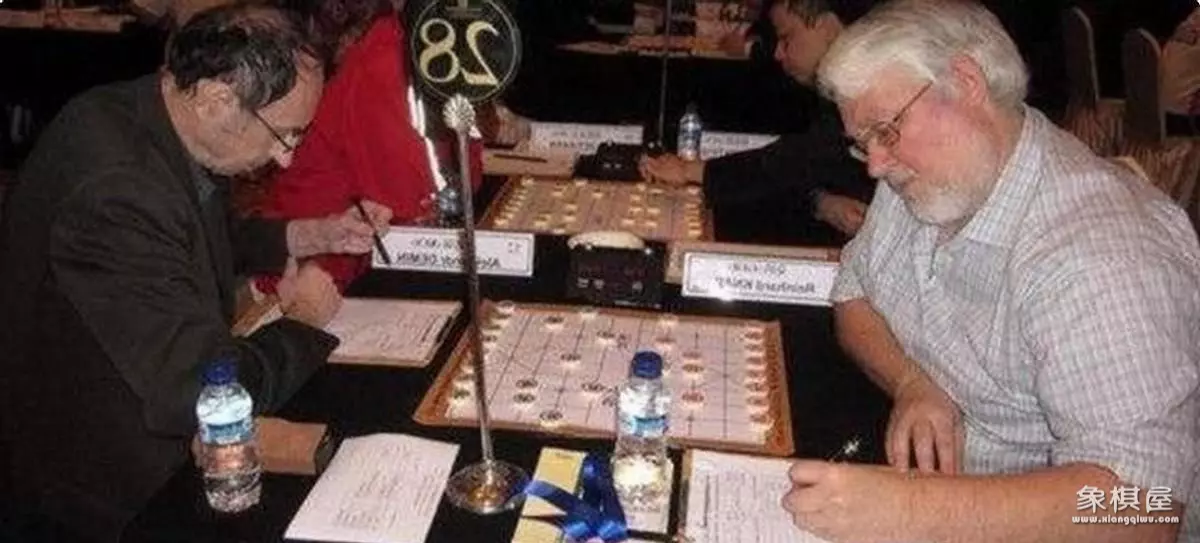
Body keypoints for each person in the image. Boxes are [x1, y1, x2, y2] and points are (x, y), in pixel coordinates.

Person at [781, 1, 1199, 541]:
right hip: (923, 471)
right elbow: (853, 297)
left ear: (966, 82)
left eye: (886, 131)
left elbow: (1141, 511)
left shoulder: (1102, 261)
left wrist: (913, 510)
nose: (877, 166)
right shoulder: (927, 178)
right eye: (864, 144)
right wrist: (912, 381)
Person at [0, 5, 392, 541]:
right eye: (284, 136)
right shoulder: (118, 193)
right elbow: (198, 387)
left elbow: (196, 230)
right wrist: (302, 319)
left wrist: (308, 235)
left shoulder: (146, 110)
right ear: (216, 99)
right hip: (106, 485)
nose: (285, 160)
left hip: (129, 405)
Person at [256, 0, 483, 292]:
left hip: (361, 258)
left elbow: (461, 182)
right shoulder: (384, 60)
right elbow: (415, 208)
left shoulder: (411, 49)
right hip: (316, 278)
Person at [639, 0, 877, 240]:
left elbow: (793, 159)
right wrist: (821, 202)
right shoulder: (839, 92)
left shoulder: (866, 89)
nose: (778, 53)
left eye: (787, 38)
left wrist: (691, 170)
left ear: (827, 26)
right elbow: (803, 165)